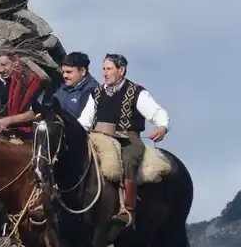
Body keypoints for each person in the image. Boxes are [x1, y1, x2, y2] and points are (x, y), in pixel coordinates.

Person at [77, 53, 168, 226]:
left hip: (128, 138)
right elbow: (84, 121)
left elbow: (157, 112)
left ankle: (128, 209)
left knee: (128, 160)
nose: (105, 73)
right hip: (99, 136)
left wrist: (162, 126)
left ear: (121, 70)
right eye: (103, 69)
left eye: (109, 69)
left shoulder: (137, 92)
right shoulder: (96, 93)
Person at [0, 50, 47, 141]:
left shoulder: (30, 80)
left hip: (19, 132)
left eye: (4, 65)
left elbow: (34, 112)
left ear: (16, 61)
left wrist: (7, 121)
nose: (0, 70)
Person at [52, 51, 97, 119]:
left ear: (82, 71)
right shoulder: (62, 87)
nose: (64, 75)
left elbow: (84, 124)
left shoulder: (92, 91)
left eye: (69, 72)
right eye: (63, 72)